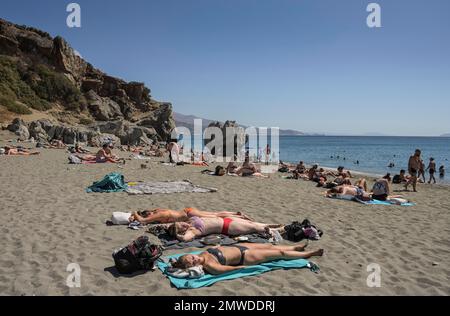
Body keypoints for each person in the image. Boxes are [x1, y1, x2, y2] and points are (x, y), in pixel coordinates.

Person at [170, 243, 324, 275]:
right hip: (245, 257)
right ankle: (310, 253)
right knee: (279, 254)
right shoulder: (210, 266)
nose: (195, 259)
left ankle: (295, 247)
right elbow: (227, 269)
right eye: (193, 262)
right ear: (192, 266)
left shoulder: (202, 254)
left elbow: (216, 248)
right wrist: (241, 268)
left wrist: (216, 246)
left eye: (192, 257)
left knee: (270, 246)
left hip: (239, 246)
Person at [167, 216, 283, 242]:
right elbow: (185, 239)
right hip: (227, 227)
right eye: (181, 227)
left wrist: (172, 226)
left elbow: (170, 224)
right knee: (254, 228)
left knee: (250, 223)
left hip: (226, 219)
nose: (183, 225)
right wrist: (177, 234)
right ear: (182, 231)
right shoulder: (192, 231)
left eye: (180, 223)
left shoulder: (189, 221)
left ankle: (272, 225)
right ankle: (280, 230)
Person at [129, 207, 252, 225]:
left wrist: (134, 213)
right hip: (187, 211)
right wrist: (133, 216)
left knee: (216, 216)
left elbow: (142, 221)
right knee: (215, 214)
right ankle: (236, 214)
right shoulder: (158, 210)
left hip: (188, 214)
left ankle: (239, 216)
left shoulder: (158, 214)